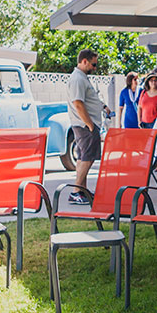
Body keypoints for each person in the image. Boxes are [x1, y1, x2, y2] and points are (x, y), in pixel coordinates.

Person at [67, 49, 105, 205]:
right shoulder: (78, 79)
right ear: (84, 61)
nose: (94, 68)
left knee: (84, 158)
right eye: (93, 64)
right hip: (85, 126)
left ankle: (82, 190)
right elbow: (78, 103)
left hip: (86, 125)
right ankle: (76, 191)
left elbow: (89, 100)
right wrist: (89, 124)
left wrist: (103, 107)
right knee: (87, 159)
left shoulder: (82, 78)